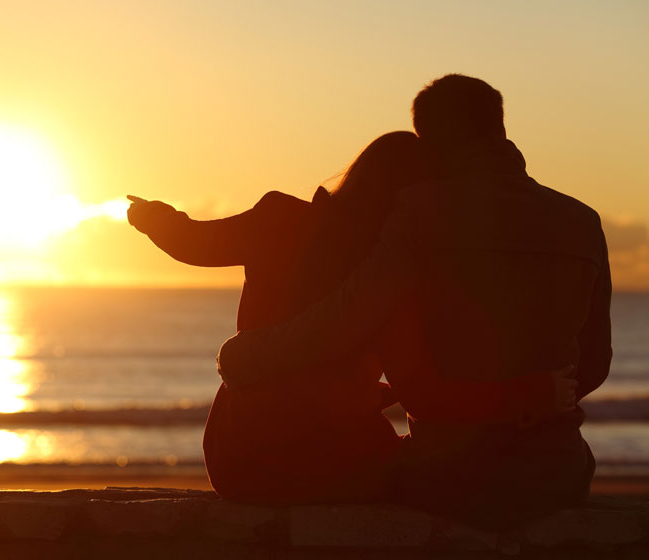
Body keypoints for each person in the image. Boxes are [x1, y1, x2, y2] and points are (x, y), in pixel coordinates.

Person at [217, 75, 611, 526]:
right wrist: (535, 401)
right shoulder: (583, 221)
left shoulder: (418, 211)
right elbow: (595, 362)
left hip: (446, 476)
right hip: (558, 474)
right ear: (498, 125)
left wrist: (243, 354)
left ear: (428, 140)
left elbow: (345, 321)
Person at [128, 130, 574, 506]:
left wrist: (151, 216)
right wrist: (530, 391)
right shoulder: (392, 268)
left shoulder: (280, 218)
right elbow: (423, 390)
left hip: (236, 455)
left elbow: (195, 244)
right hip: (330, 455)